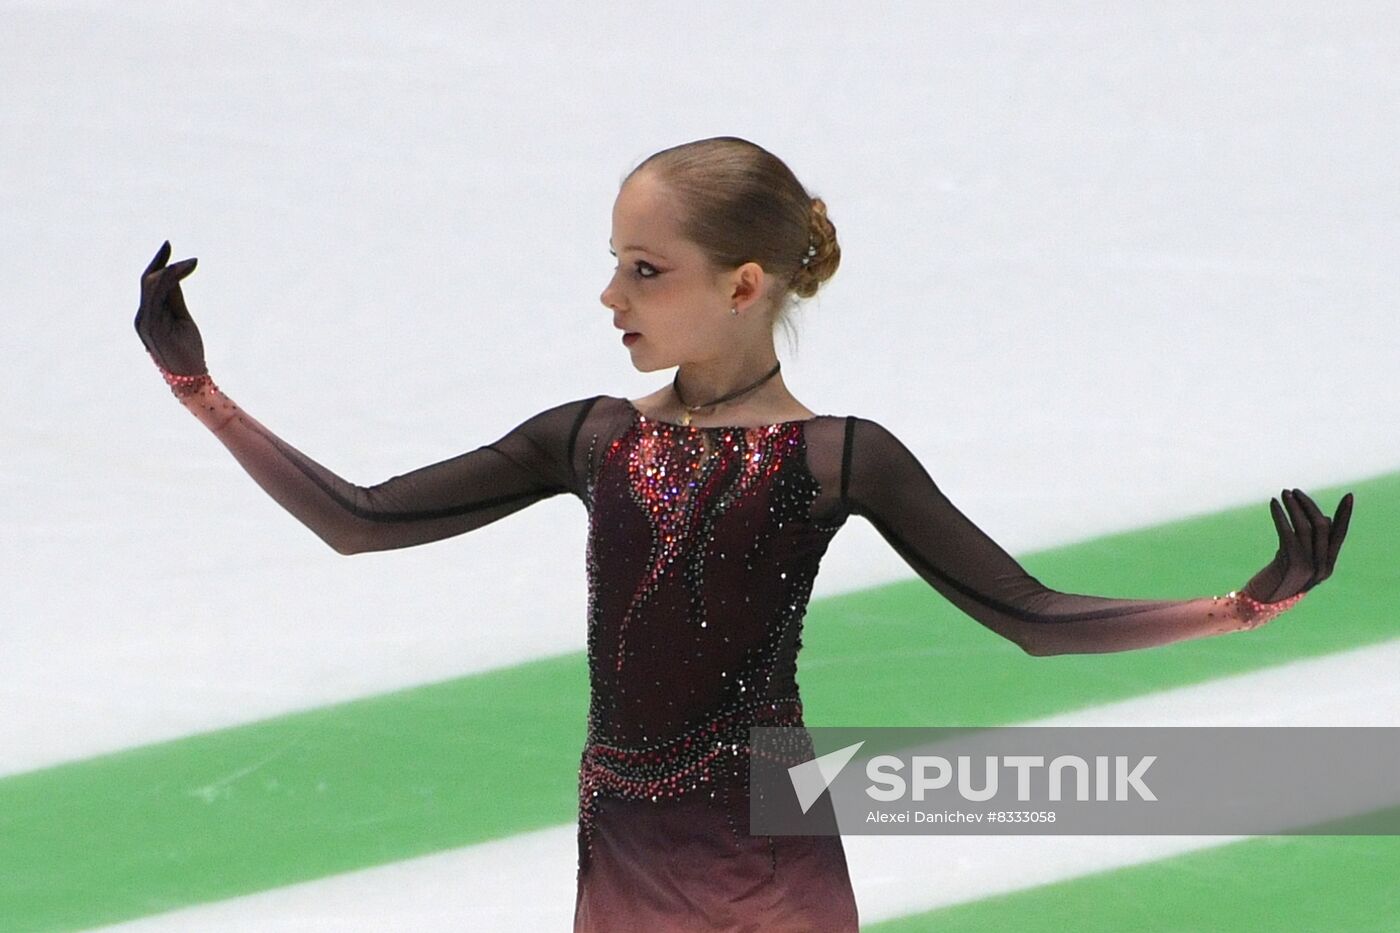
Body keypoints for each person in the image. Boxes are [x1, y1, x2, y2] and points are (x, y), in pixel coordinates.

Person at [134, 135, 1352, 933]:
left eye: (643, 269)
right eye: (613, 263)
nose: (609, 297)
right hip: (625, 826)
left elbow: (1027, 619)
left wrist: (1235, 611)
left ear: (741, 283)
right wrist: (202, 392)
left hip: (770, 829)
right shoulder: (591, 438)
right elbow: (359, 521)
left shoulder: (838, 456)